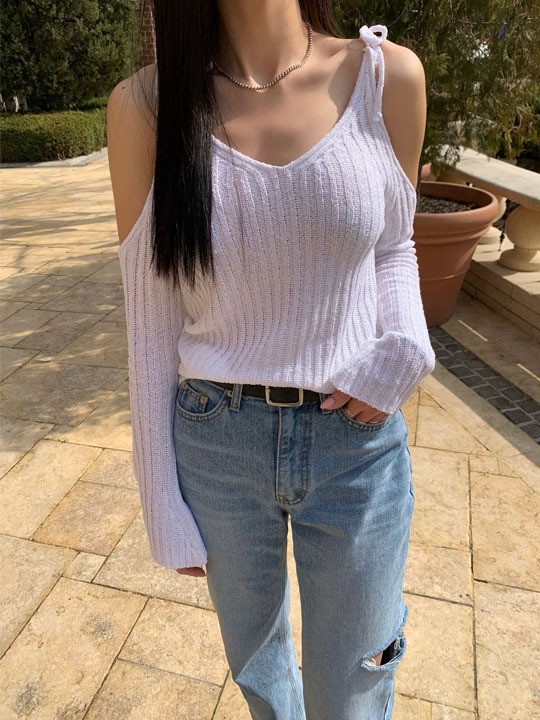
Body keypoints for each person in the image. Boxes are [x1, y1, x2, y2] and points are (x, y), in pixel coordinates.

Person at [107, 1, 435, 717]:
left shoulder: (386, 77)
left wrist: (408, 345)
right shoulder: (146, 106)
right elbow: (151, 318)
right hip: (216, 444)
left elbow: (393, 245)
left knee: (353, 688)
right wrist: (160, 498)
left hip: (356, 448)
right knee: (261, 677)